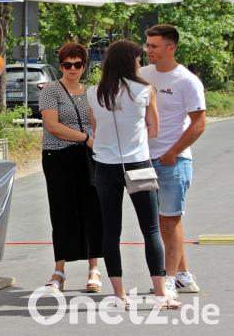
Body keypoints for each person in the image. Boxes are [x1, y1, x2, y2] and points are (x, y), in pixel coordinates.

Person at [86, 39, 179, 309]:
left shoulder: (93, 92)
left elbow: (95, 129)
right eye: (139, 58)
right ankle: (161, 293)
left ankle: (119, 294)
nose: (141, 62)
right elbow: (155, 129)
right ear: (130, 61)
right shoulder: (145, 90)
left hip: (105, 166)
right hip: (138, 163)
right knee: (150, 228)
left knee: (110, 229)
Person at [140, 24, 206, 298]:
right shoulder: (142, 74)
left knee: (170, 219)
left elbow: (199, 124)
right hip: (143, 159)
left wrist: (172, 152)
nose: (148, 51)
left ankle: (168, 278)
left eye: (154, 46)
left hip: (173, 162)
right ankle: (183, 276)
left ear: (171, 48)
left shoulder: (187, 81)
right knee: (161, 221)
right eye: (147, 46)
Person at [39, 42, 103, 293]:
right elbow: (52, 126)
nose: (72, 69)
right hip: (59, 156)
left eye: (77, 64)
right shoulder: (50, 90)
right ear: (61, 66)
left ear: (84, 66)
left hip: (89, 157)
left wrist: (97, 144)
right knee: (62, 211)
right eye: (67, 64)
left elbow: (97, 124)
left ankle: (94, 268)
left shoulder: (91, 92)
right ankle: (59, 270)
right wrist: (86, 139)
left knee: (92, 209)